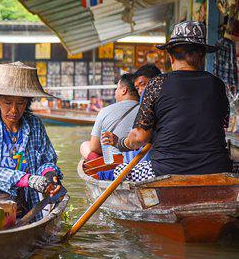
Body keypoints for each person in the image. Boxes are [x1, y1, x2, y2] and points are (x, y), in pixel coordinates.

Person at [103, 21, 231, 181]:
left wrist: (121, 143)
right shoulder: (217, 84)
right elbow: (224, 124)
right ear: (202, 55)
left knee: (119, 171)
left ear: (170, 56)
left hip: (166, 170)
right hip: (216, 168)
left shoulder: (157, 83)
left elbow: (140, 138)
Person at [0, 62, 64, 219]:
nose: (14, 110)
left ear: (28, 102)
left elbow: (47, 160)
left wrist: (49, 176)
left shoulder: (34, 124)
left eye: (20, 103)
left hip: (23, 202)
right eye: (8, 102)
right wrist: (27, 179)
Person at [80, 74, 140, 160]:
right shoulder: (146, 110)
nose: (115, 92)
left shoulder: (105, 111)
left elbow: (94, 147)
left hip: (115, 161)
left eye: (117, 88)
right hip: (139, 158)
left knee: (85, 145)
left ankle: (101, 165)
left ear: (124, 90)